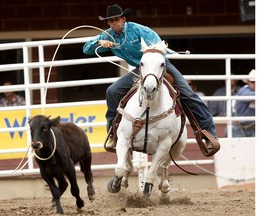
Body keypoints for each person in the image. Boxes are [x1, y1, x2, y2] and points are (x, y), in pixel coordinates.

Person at [83, 4, 219, 152]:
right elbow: (86, 49)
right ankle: (112, 134)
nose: (114, 23)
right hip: (139, 70)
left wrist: (152, 64)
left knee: (188, 93)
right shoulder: (107, 35)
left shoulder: (140, 30)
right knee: (112, 91)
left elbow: (159, 47)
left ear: (123, 19)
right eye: (110, 21)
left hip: (159, 65)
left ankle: (208, 134)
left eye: (116, 19)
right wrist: (98, 43)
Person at [232, 69, 255, 137]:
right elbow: (253, 96)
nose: (255, 84)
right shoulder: (243, 91)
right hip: (238, 128)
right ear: (248, 82)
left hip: (252, 127)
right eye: (253, 82)